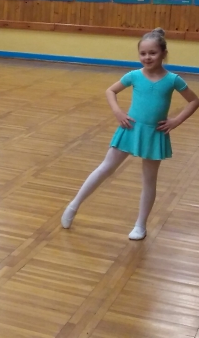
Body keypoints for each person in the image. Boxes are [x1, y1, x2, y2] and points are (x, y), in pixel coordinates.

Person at [61, 29, 198, 240]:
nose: (147, 57)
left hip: (154, 133)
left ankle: (140, 225)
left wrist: (176, 120)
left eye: (152, 53)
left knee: (149, 180)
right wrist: (118, 112)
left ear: (164, 53)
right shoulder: (134, 75)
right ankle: (73, 206)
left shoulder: (173, 80)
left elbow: (194, 100)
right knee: (106, 167)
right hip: (130, 128)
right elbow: (110, 91)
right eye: (143, 53)